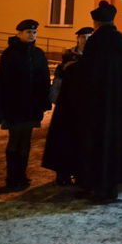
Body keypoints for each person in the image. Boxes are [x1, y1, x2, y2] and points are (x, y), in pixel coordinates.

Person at [77, 0, 122, 203]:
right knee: (114, 146)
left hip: (96, 106)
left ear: (96, 23)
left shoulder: (94, 43)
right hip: (118, 106)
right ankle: (111, 189)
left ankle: (95, 187)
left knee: (96, 146)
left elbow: (86, 73)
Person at [0, 19, 51, 191]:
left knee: (25, 142)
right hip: (15, 106)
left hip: (31, 107)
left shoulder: (38, 54)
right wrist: (4, 106)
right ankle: (12, 177)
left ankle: (22, 175)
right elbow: (3, 82)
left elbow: (44, 79)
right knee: (15, 141)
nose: (32, 35)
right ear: (18, 33)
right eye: (28, 32)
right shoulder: (10, 54)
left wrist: (43, 102)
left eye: (34, 32)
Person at [42, 26, 93, 185]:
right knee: (64, 139)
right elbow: (59, 78)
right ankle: (62, 172)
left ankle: (79, 171)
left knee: (81, 141)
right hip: (67, 104)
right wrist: (56, 97)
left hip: (85, 105)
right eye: (83, 37)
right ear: (78, 38)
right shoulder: (69, 56)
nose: (85, 40)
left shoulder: (94, 56)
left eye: (89, 37)